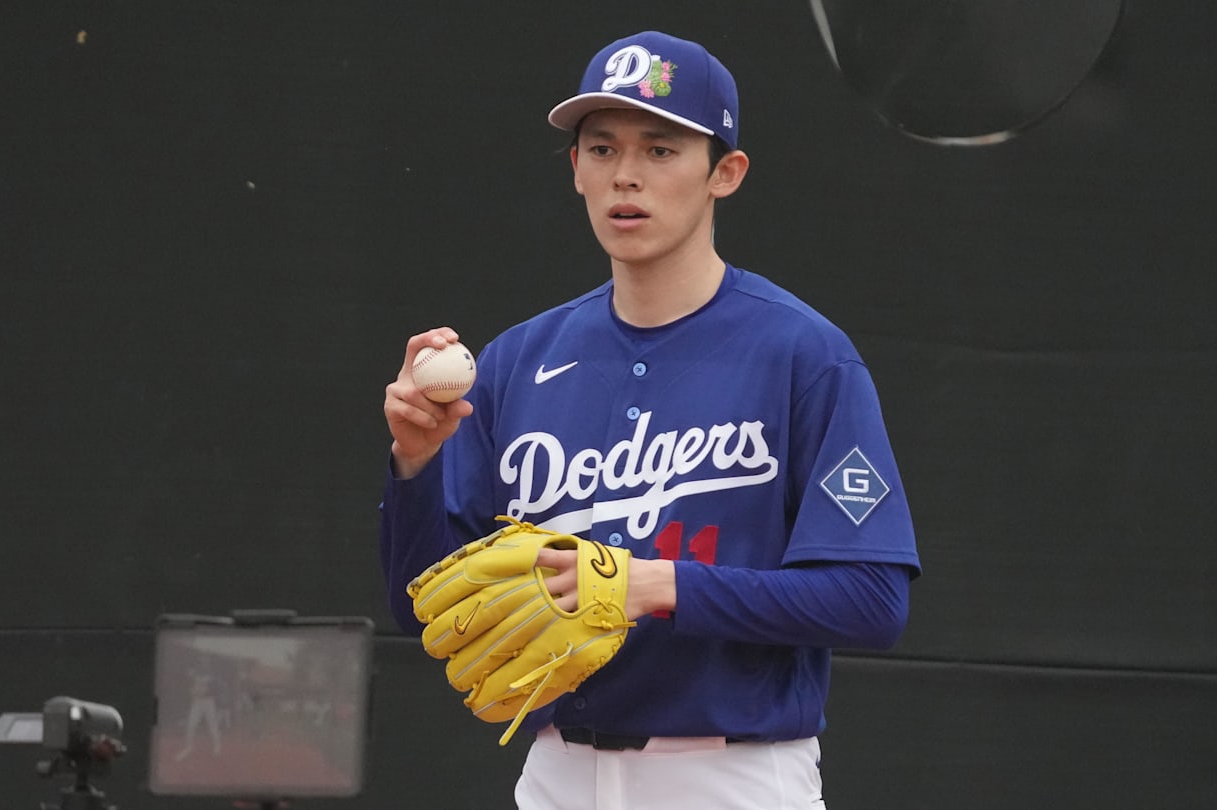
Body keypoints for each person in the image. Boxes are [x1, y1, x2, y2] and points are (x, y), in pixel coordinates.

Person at [379, 30, 921, 810]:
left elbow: (872, 602)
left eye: (661, 150)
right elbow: (421, 607)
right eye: (601, 149)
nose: (625, 175)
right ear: (575, 169)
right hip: (557, 773)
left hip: (731, 774)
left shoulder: (802, 355)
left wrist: (655, 587)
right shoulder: (515, 361)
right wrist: (415, 465)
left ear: (724, 173)